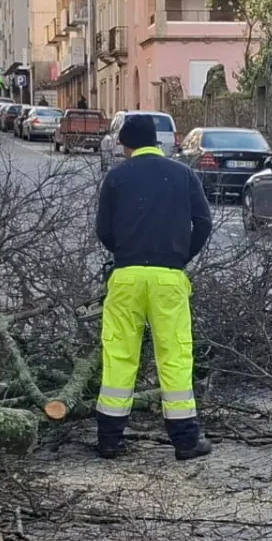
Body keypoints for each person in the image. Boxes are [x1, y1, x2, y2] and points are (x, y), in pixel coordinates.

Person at [93, 115, 215, 460]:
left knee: (119, 354)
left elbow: (103, 228)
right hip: (168, 277)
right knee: (174, 356)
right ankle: (186, 441)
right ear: (157, 141)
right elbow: (203, 222)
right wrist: (180, 255)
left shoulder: (116, 177)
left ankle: (109, 440)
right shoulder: (183, 175)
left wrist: (124, 251)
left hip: (127, 276)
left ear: (125, 144)